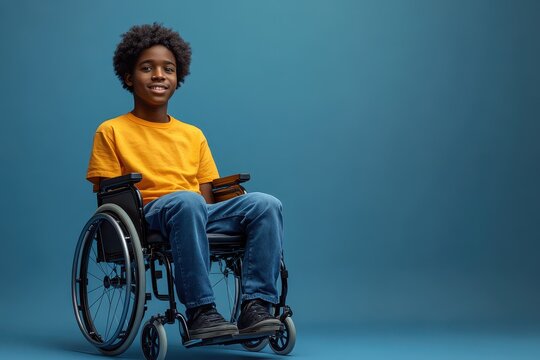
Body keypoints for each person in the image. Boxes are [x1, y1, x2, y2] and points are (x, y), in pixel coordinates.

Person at [86, 23, 284, 340]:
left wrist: (217, 209)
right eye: (147, 68)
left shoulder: (192, 135)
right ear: (128, 77)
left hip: (194, 212)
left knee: (266, 204)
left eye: (168, 69)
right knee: (186, 201)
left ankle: (256, 306)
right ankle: (201, 311)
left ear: (178, 79)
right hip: (144, 217)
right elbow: (108, 192)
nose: (159, 75)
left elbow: (206, 196)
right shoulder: (111, 131)